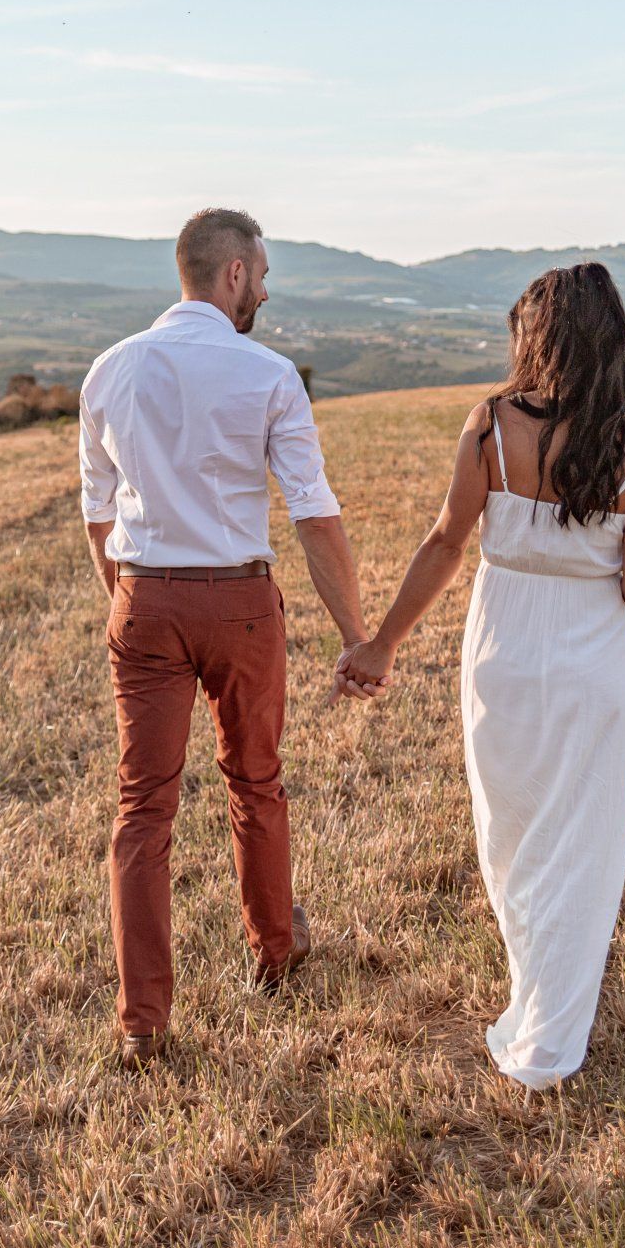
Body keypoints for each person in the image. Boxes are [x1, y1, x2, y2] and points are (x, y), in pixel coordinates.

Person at [337, 263, 625, 1089]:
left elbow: (447, 541)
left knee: (512, 832)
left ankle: (535, 996)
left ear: (537, 337)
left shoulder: (489, 426)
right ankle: (553, 1026)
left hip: (503, 654)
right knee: (582, 840)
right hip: (594, 660)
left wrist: (382, 643)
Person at [79, 207, 385, 1068]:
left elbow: (98, 514)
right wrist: (357, 636)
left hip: (144, 600)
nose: (264, 289)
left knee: (143, 809)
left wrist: (130, 603)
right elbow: (315, 518)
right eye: (263, 273)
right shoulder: (270, 373)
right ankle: (275, 956)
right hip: (243, 607)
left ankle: (143, 1021)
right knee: (257, 781)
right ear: (236, 275)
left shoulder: (108, 370)